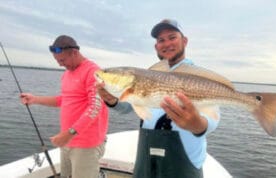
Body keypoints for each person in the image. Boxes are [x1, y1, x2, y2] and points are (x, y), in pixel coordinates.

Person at [97, 19, 220, 178]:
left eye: (172, 37)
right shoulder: (150, 73)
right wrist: (112, 101)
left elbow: (213, 117)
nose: (166, 43)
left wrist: (198, 125)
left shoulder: (195, 76)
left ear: (184, 41)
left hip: (183, 165)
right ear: (156, 46)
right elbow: (129, 106)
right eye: (161, 40)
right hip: (146, 160)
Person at [20, 35, 108, 178]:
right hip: (67, 141)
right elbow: (63, 100)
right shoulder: (67, 73)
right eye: (57, 60)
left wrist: (68, 134)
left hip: (86, 144)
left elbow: (95, 108)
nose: (60, 64)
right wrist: (35, 99)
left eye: (62, 60)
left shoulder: (93, 71)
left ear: (74, 52)